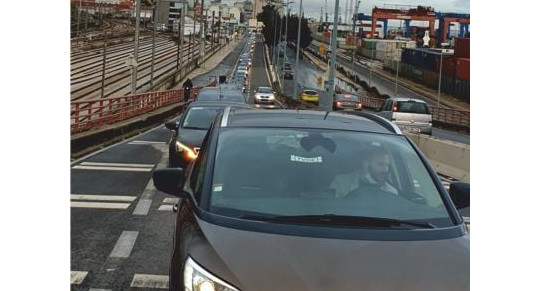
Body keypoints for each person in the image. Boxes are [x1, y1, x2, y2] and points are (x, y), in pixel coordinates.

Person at [330, 146, 398, 197]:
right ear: (366, 164)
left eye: (387, 165)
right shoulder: (341, 182)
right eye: (381, 164)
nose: (385, 170)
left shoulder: (391, 192)